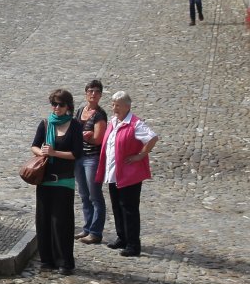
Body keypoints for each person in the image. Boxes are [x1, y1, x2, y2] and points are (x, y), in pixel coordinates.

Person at [98, 90, 158, 258]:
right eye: (113, 105)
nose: (114, 108)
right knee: (117, 206)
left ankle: (133, 244)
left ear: (127, 106)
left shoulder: (135, 124)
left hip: (129, 174)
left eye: (118, 105)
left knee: (129, 208)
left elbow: (152, 138)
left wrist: (140, 155)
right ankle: (122, 237)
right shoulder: (114, 121)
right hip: (114, 172)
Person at [31, 88, 83, 274]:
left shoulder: (74, 126)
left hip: (64, 181)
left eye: (60, 104)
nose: (56, 108)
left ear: (68, 106)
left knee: (61, 222)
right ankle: (47, 260)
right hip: (45, 180)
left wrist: (54, 153)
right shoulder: (46, 124)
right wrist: (42, 153)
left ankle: (65, 262)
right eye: (54, 104)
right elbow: (34, 146)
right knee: (43, 221)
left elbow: (76, 154)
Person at [75, 79, 109, 245]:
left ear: (100, 95)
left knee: (95, 195)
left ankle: (95, 232)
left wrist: (87, 137)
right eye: (90, 91)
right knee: (84, 194)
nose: (93, 94)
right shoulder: (81, 110)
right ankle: (87, 227)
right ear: (86, 93)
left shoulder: (100, 115)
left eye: (96, 91)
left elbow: (98, 139)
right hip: (79, 157)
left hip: (92, 158)